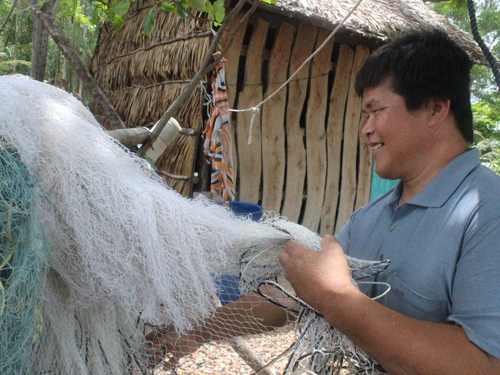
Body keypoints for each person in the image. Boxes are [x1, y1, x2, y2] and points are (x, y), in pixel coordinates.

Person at [146, 28, 500, 374]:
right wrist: (196, 331)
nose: (366, 128)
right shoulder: (372, 216)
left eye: (376, 110)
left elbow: (486, 364)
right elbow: (293, 297)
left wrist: (336, 299)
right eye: (364, 114)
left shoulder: (487, 213)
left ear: (435, 109)